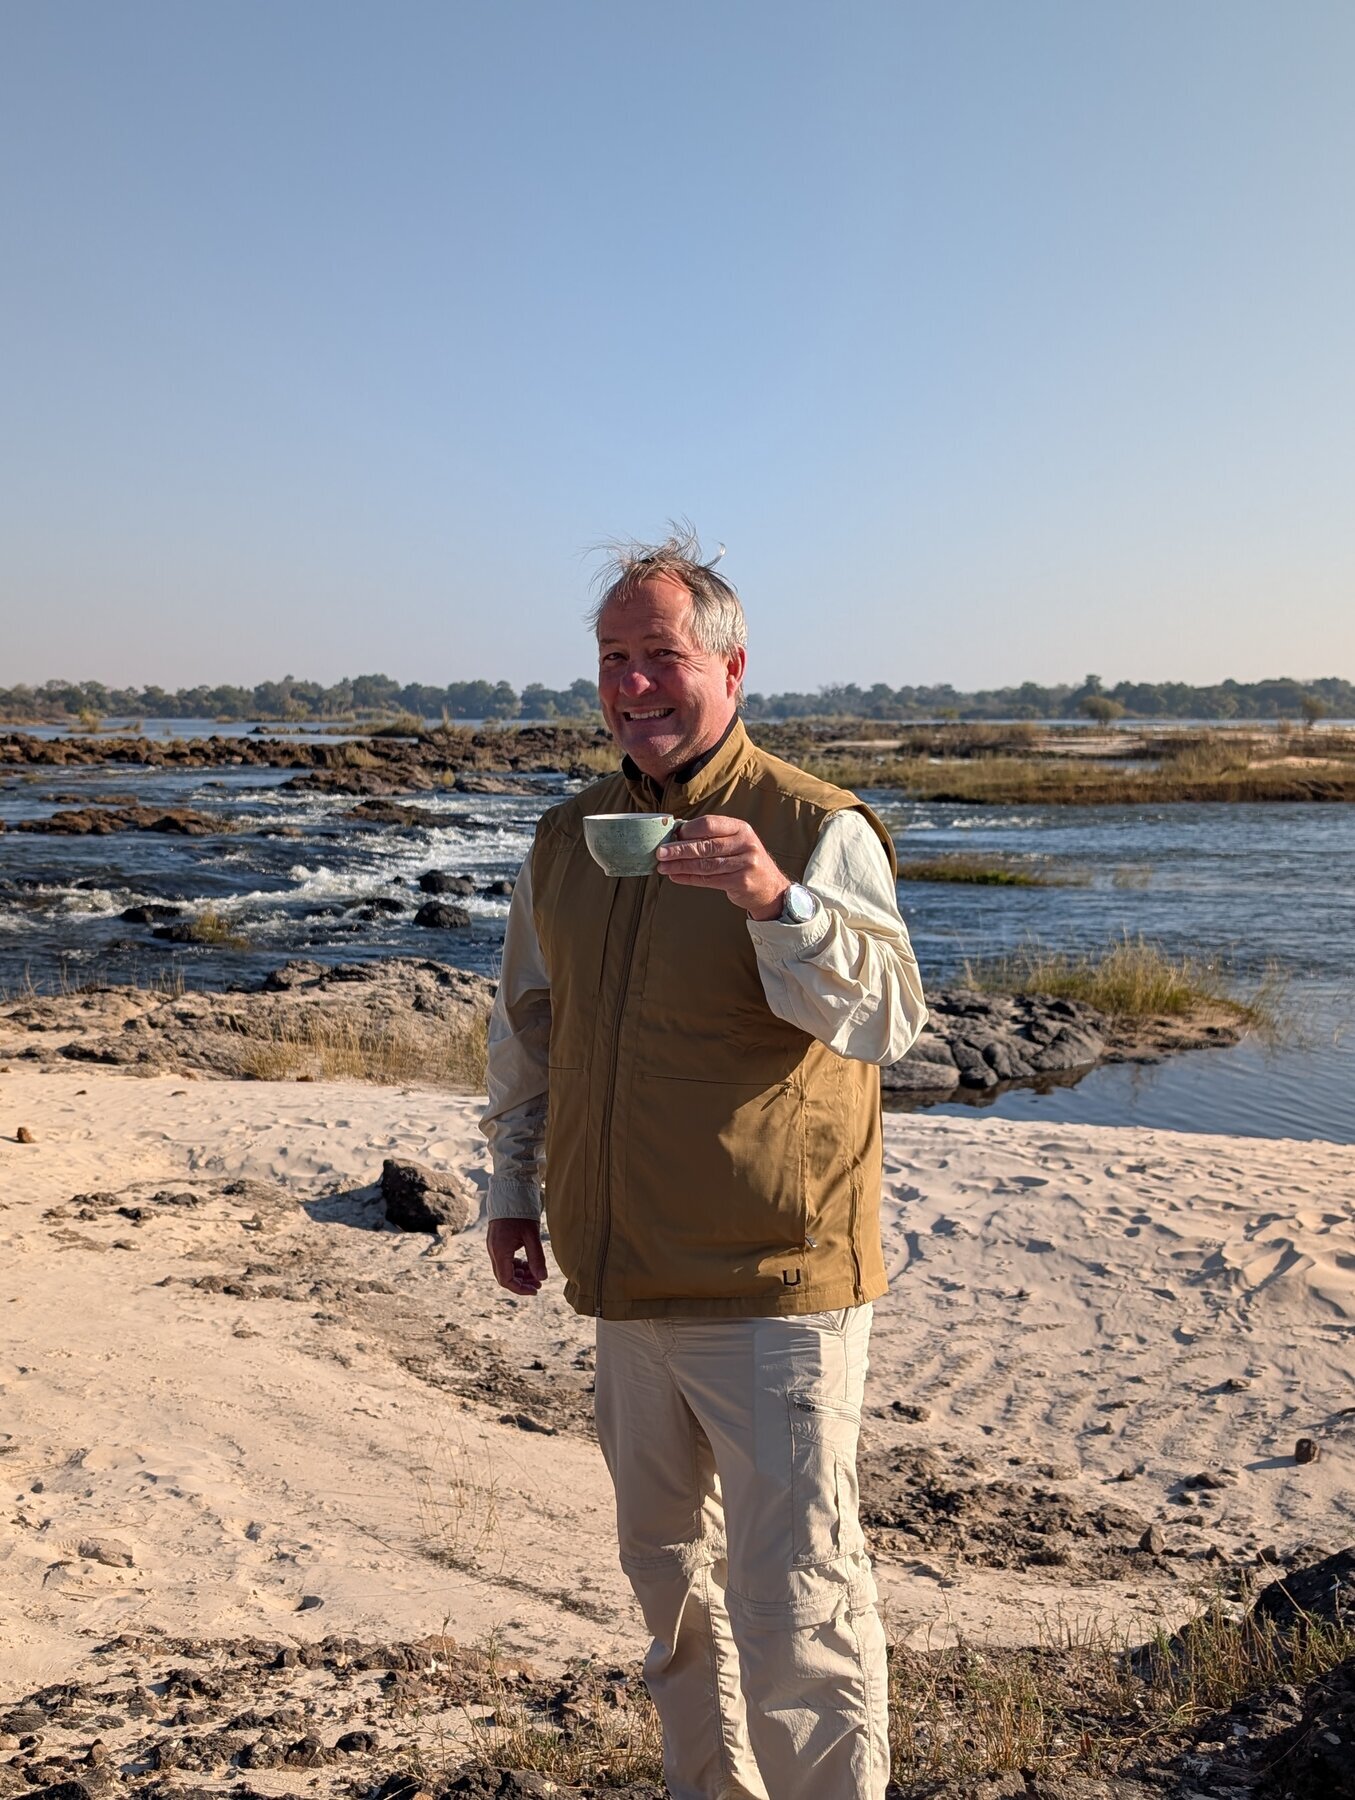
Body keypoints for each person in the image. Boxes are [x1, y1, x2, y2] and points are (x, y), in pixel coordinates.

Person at [480, 531, 928, 1800]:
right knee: (668, 1592)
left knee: (799, 1604)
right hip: (622, 1282)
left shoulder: (811, 824)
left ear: (730, 667)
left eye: (660, 656)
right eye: (613, 659)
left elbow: (887, 1016)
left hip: (773, 1284)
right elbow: (531, 1027)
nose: (632, 685)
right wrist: (514, 1191)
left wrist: (775, 900)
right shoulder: (570, 837)